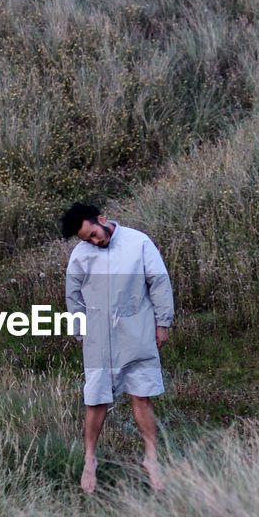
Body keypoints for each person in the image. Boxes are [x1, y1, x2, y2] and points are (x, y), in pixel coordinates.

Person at [61, 202, 173, 494]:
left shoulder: (138, 242)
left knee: (142, 394)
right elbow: (73, 295)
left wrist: (163, 322)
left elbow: (158, 282)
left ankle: (151, 459)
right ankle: (90, 460)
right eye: (87, 239)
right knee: (96, 398)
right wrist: (80, 328)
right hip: (99, 334)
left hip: (137, 329)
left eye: (94, 234)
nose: (94, 241)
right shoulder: (81, 255)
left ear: (102, 219)